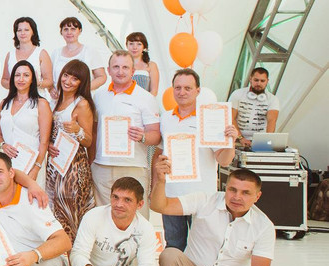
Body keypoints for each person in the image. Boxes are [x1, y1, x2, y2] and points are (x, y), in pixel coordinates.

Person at [155, 68, 239, 251]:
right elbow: (160, 153)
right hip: (172, 195)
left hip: (202, 197)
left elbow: (224, 161)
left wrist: (230, 142)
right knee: (173, 248)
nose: (182, 92)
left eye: (188, 88)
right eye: (178, 88)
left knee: (202, 249)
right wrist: (155, 185)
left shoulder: (209, 119)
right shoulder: (166, 118)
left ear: (198, 90)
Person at [91, 51, 161, 212]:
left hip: (133, 167)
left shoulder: (146, 98)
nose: (120, 71)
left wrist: (143, 136)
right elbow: (94, 131)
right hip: (102, 167)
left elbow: (156, 135)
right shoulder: (99, 96)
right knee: (103, 216)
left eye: (125, 67)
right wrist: (92, 161)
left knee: (136, 217)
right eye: (116, 67)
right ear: (108, 70)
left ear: (133, 71)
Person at [44, 59, 96, 241]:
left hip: (73, 166)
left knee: (70, 211)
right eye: (66, 75)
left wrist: (77, 130)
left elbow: (88, 140)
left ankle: (73, 252)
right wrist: (48, 145)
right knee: (53, 210)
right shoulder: (54, 101)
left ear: (82, 83)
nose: (68, 81)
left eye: (75, 79)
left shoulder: (82, 104)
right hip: (54, 165)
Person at [0, 61, 52, 182]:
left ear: (32, 79)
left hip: (31, 163)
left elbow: (44, 141)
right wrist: (3, 145)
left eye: (26, 75)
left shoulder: (41, 104)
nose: (21, 79)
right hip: (8, 163)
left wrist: (36, 168)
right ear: (13, 78)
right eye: (17, 75)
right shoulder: (4, 103)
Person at [50, 17, 107, 98]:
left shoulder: (90, 51)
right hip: (59, 100)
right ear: (61, 32)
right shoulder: (56, 53)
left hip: (81, 99)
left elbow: (102, 77)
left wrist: (82, 90)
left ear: (80, 31)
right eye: (65, 29)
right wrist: (51, 89)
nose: (69, 32)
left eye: (73, 29)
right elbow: (49, 78)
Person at [1, 16, 53, 98]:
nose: (22, 33)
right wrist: (15, 84)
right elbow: (4, 80)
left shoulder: (41, 53)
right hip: (15, 99)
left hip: (36, 98)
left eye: (26, 30)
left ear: (33, 32)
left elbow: (49, 81)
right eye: (19, 30)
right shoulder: (10, 54)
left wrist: (36, 83)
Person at [229, 67, 280, 147]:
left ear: (267, 81)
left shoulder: (273, 99)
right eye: (256, 80)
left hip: (260, 140)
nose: (259, 83)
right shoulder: (237, 94)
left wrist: (267, 141)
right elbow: (230, 118)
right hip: (237, 138)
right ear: (250, 79)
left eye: (262, 81)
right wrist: (241, 138)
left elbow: (272, 121)